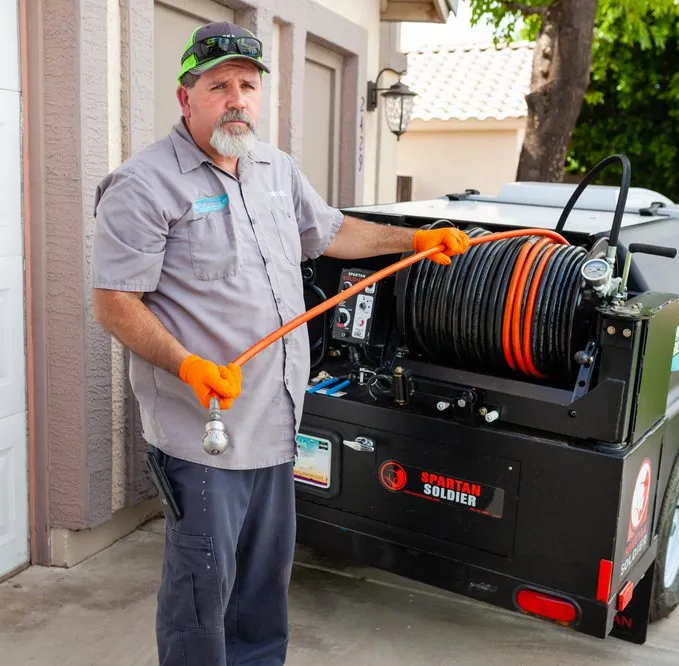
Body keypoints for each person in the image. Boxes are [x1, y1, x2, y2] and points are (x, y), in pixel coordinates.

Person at [91, 21, 469, 665]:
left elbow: (329, 233)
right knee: (199, 598)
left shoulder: (274, 169)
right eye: (219, 86)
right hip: (203, 435)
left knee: (263, 596)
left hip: (277, 423)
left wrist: (415, 239)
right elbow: (114, 303)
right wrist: (187, 365)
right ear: (187, 98)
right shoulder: (144, 185)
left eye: (247, 84)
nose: (236, 98)